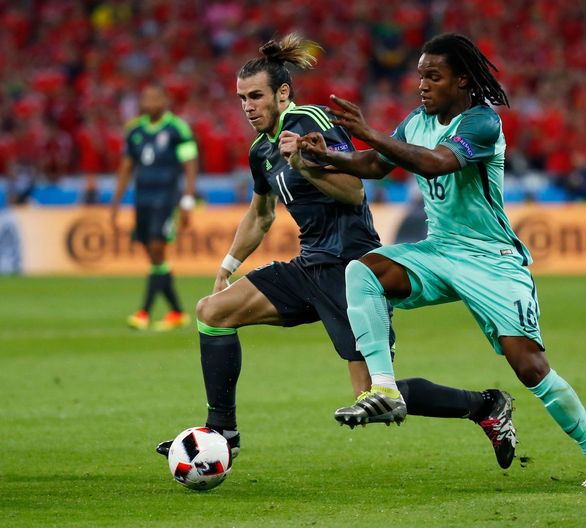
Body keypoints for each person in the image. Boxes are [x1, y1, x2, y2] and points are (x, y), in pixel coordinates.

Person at [155, 34, 518, 469]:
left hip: (351, 268)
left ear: (282, 93)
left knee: (373, 398)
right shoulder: (260, 151)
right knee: (211, 312)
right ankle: (223, 432)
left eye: (256, 96)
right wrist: (227, 266)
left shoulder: (312, 122)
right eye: (241, 98)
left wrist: (304, 163)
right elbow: (260, 214)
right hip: (309, 265)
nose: (247, 106)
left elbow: (351, 191)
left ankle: (485, 406)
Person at [295, 33, 586, 487]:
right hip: (440, 250)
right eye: (420, 76)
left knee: (528, 365)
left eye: (433, 76)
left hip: (491, 259)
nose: (422, 86)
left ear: (463, 80)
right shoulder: (417, 120)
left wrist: (368, 131)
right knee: (364, 270)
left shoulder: (482, 124)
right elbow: (375, 166)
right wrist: (325, 157)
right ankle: (386, 388)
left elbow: (435, 163)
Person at [110, 84, 198, 331]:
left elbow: (190, 165)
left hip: (166, 197)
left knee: (158, 247)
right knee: (153, 254)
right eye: (144, 97)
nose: (148, 102)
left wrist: (188, 200)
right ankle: (178, 313)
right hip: (143, 198)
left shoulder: (176, 128)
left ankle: (144, 312)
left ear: (164, 101)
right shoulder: (134, 130)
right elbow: (127, 166)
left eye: (153, 98)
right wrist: (115, 202)